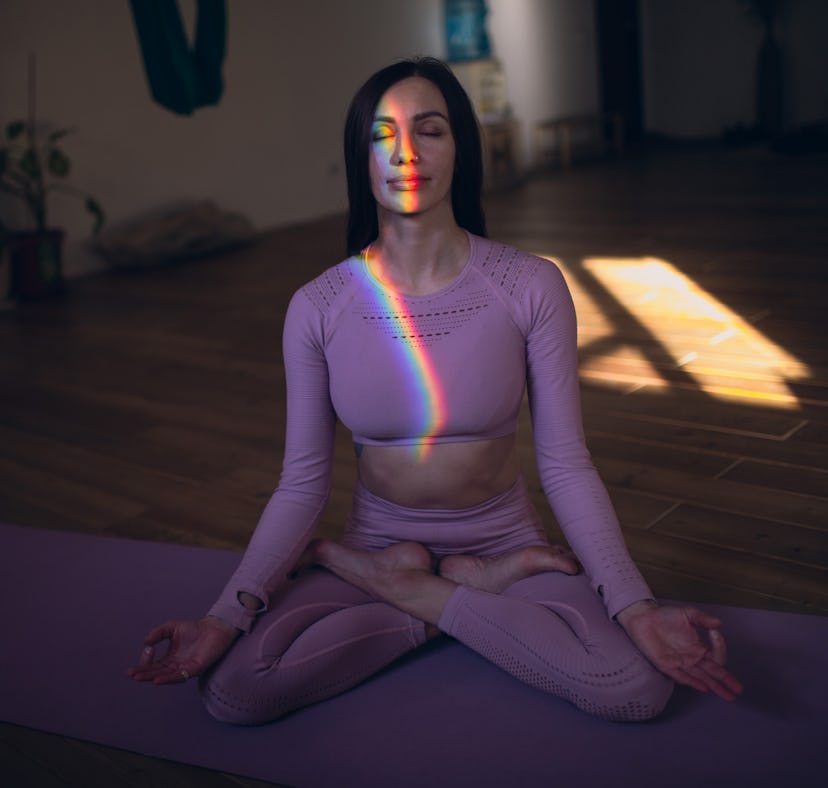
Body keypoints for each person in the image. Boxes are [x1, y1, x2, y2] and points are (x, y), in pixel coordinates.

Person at [128, 57, 743, 723]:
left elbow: (565, 462)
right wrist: (224, 617)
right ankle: (432, 590)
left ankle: (426, 590)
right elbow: (303, 482)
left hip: (508, 547)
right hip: (375, 543)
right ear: (360, 156)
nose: (406, 153)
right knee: (235, 692)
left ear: (460, 150)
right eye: (381, 134)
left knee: (634, 686)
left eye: (430, 130)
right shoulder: (318, 306)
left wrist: (637, 608)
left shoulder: (529, 285)